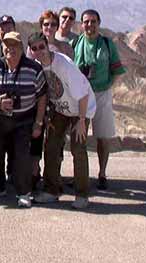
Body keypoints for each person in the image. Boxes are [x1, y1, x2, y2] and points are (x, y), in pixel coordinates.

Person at [28, 32, 96, 209]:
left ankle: (82, 194)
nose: (39, 51)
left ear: (47, 45)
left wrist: (81, 120)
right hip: (61, 109)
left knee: (78, 148)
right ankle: (51, 190)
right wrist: (47, 115)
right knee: (51, 145)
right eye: (34, 48)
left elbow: (83, 94)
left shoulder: (64, 64)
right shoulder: (38, 67)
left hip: (81, 108)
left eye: (41, 47)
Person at [0, 31, 47, 208]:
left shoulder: (34, 69)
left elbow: (42, 97)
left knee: (21, 157)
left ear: (22, 48)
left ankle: (24, 193)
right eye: (7, 45)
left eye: (14, 45)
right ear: (2, 47)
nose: (10, 49)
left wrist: (38, 123)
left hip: (23, 120)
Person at [73, 9, 126, 189]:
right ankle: (80, 176)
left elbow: (117, 69)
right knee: (79, 136)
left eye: (93, 21)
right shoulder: (76, 43)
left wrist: (109, 85)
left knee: (103, 137)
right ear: (81, 24)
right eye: (86, 22)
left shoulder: (107, 44)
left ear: (99, 23)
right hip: (82, 95)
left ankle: (102, 173)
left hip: (102, 93)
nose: (90, 25)